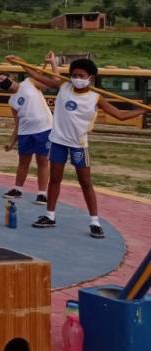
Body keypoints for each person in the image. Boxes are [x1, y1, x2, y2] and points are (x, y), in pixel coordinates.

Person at [19, 53, 143, 238]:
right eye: (74, 75)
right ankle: (50, 216)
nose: (77, 79)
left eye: (81, 76)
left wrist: (144, 110)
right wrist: (21, 64)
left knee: (85, 182)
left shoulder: (96, 98)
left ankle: (94, 221)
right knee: (55, 179)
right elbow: (38, 76)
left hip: (78, 145)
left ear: (91, 78)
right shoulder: (64, 86)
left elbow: (120, 115)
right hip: (58, 142)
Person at [0, 71, 52, 205]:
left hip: (44, 128)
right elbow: (17, 123)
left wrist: (49, 66)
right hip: (25, 132)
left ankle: (42, 194)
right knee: (23, 161)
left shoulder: (29, 82)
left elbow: (47, 85)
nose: (1, 82)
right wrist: (11, 142)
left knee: (42, 161)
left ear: (11, 77)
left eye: (2, 78)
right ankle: (18, 189)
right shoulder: (12, 101)